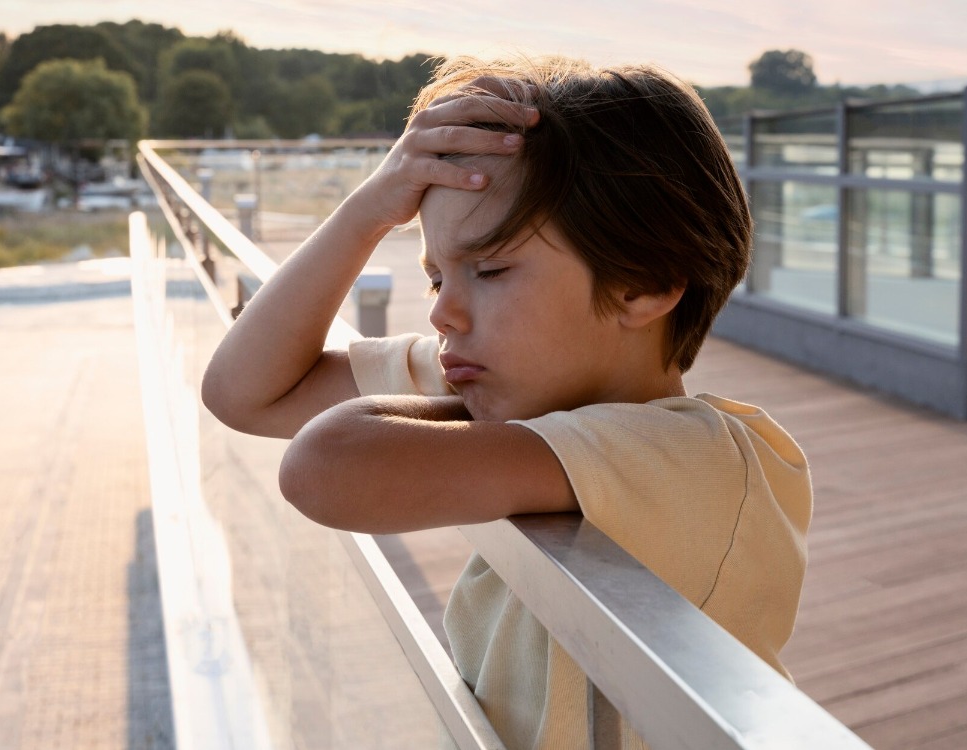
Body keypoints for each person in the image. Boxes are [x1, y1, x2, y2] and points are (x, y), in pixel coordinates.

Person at [202, 56, 812, 749]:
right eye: (436, 278)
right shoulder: (509, 377)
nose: (444, 315)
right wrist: (370, 206)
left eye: (490, 269)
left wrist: (482, 415)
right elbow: (244, 393)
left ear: (642, 285)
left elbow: (324, 465)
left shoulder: (702, 455)